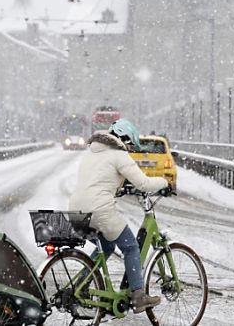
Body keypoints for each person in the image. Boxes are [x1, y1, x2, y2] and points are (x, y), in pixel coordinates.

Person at [69, 119, 170, 313]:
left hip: (76, 211)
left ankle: (81, 285)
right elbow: (144, 184)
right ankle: (139, 296)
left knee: (106, 246)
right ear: (123, 138)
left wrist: (120, 187)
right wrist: (165, 183)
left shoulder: (91, 153)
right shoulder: (119, 154)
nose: (130, 149)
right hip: (99, 209)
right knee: (131, 247)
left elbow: (99, 179)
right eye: (130, 144)